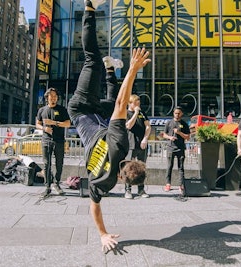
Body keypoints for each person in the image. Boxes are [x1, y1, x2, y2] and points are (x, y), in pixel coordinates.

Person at [67, 0, 151, 253]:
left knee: (90, 59)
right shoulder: (105, 182)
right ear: (122, 179)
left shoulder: (119, 145)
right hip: (95, 117)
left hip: (80, 107)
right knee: (109, 112)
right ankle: (109, 69)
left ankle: (89, 7)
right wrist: (103, 234)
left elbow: (120, 102)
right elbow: (94, 206)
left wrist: (134, 70)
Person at [36, 87, 71, 197]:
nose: (53, 98)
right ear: (47, 98)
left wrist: (54, 123)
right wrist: (44, 129)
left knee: (59, 163)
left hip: (59, 141)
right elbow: (37, 123)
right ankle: (47, 187)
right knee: (47, 164)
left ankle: (57, 183)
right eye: (51, 96)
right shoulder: (42, 110)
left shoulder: (62, 109)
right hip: (46, 140)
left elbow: (68, 124)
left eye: (55, 97)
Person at [124, 94, 151, 199]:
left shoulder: (142, 113)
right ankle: (128, 190)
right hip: (131, 144)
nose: (138, 104)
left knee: (141, 168)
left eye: (138, 102)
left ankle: (141, 189)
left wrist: (145, 138)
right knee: (129, 168)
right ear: (130, 103)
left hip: (142, 144)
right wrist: (135, 113)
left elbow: (148, 126)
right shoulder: (126, 113)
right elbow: (128, 125)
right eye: (136, 102)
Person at [162, 106, 190, 193]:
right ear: (173, 113)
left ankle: (181, 185)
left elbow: (188, 137)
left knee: (181, 168)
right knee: (169, 166)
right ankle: (167, 184)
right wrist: (170, 137)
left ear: (181, 114)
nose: (177, 115)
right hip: (170, 148)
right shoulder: (169, 123)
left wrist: (179, 133)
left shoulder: (184, 124)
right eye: (175, 113)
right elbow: (163, 134)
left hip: (180, 148)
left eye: (178, 113)